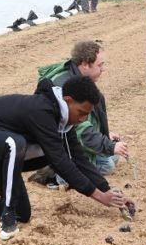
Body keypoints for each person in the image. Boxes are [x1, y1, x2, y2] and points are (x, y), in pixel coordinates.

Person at [0, 75, 133, 240]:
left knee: (23, 212)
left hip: (3, 151)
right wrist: (99, 196)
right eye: (81, 113)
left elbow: (77, 158)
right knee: (18, 144)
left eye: (86, 116)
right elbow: (59, 161)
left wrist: (110, 193)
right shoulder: (42, 110)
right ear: (68, 100)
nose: (82, 119)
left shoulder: (64, 121)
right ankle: (7, 218)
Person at [36, 40, 130, 179]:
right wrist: (108, 146)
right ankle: (57, 174)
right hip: (60, 146)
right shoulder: (66, 87)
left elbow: (87, 117)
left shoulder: (78, 77)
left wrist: (104, 134)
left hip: (71, 139)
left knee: (113, 157)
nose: (103, 69)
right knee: (108, 165)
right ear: (85, 64)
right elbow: (78, 128)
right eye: (100, 65)